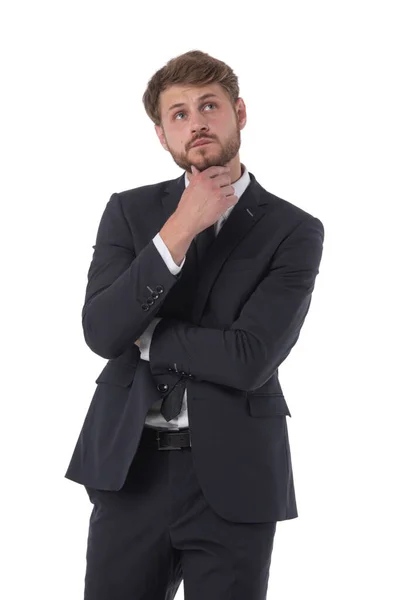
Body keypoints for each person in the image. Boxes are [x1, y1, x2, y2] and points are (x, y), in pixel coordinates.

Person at [65, 49, 325, 600]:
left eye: (210, 105)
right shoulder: (129, 213)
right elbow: (101, 332)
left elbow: (249, 357)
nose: (197, 121)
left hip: (236, 477)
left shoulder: (294, 229)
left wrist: (150, 335)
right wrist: (178, 229)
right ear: (162, 135)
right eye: (179, 113)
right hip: (128, 470)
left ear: (240, 113)